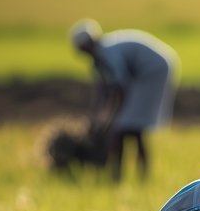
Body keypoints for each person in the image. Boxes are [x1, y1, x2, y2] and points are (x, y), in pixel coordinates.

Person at [69, 19, 179, 181]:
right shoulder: (100, 59)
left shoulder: (108, 53)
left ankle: (128, 177)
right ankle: (122, 176)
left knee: (130, 127)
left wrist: (111, 118)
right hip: (142, 74)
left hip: (152, 72)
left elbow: (120, 88)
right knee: (126, 128)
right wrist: (97, 119)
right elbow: (103, 91)